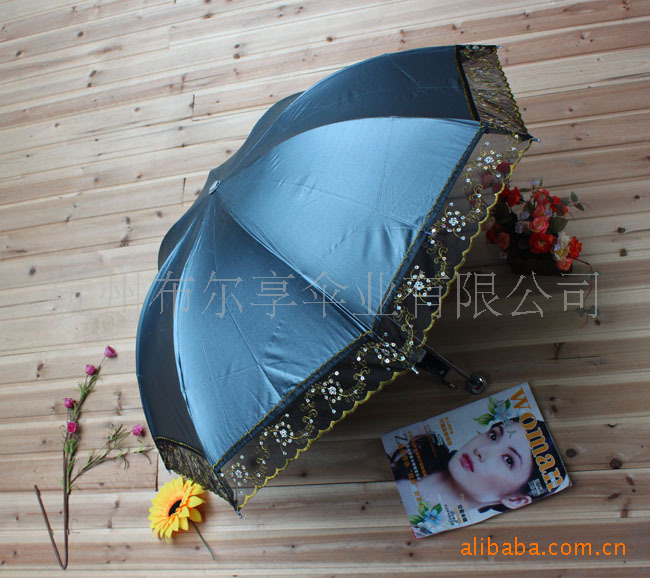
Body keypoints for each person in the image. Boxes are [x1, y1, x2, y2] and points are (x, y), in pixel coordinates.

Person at [389, 416, 567, 534]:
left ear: (516, 499)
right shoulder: (408, 446)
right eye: (494, 436)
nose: (482, 451)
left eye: (508, 460)